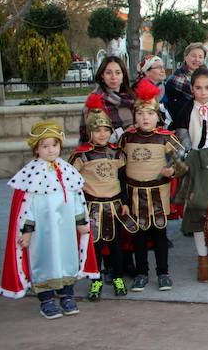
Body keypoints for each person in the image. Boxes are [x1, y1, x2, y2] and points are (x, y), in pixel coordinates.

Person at [1, 120, 98, 319]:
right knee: (44, 261)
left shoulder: (67, 170)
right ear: (36, 149)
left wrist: (81, 223)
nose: (50, 150)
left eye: (54, 145)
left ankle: (66, 296)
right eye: (44, 146)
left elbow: (77, 199)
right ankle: (46, 300)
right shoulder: (30, 174)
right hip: (42, 232)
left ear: (60, 146)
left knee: (66, 259)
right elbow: (26, 209)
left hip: (65, 230)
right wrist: (26, 233)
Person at [119, 80, 186, 292]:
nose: (145, 118)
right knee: (138, 236)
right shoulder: (126, 137)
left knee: (159, 235)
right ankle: (141, 273)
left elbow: (184, 162)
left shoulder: (167, 138)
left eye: (149, 113)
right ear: (135, 116)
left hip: (158, 194)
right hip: (135, 194)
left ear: (158, 116)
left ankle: (163, 272)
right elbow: (119, 166)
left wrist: (173, 170)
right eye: (140, 113)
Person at [169, 67, 208, 282]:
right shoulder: (186, 110)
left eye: (207, 87)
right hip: (195, 163)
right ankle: (202, 260)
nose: (203, 92)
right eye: (198, 88)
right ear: (192, 89)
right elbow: (178, 140)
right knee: (197, 214)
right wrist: (185, 157)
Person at [74, 95, 134, 300]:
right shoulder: (81, 155)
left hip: (114, 207)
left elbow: (122, 178)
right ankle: (96, 280)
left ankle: (118, 278)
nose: (102, 134)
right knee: (95, 247)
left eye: (106, 130)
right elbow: (74, 185)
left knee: (117, 246)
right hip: (92, 208)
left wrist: (125, 202)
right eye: (97, 130)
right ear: (89, 132)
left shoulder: (117, 153)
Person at [80, 55, 135, 143]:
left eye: (118, 73)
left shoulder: (131, 98)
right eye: (109, 73)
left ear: (123, 76)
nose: (113, 77)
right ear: (102, 75)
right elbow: (88, 134)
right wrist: (121, 133)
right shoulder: (95, 99)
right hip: (106, 152)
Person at [165, 42, 207, 121]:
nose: (197, 60)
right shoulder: (177, 78)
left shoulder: (204, 75)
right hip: (183, 120)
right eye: (193, 56)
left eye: (200, 57)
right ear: (185, 56)